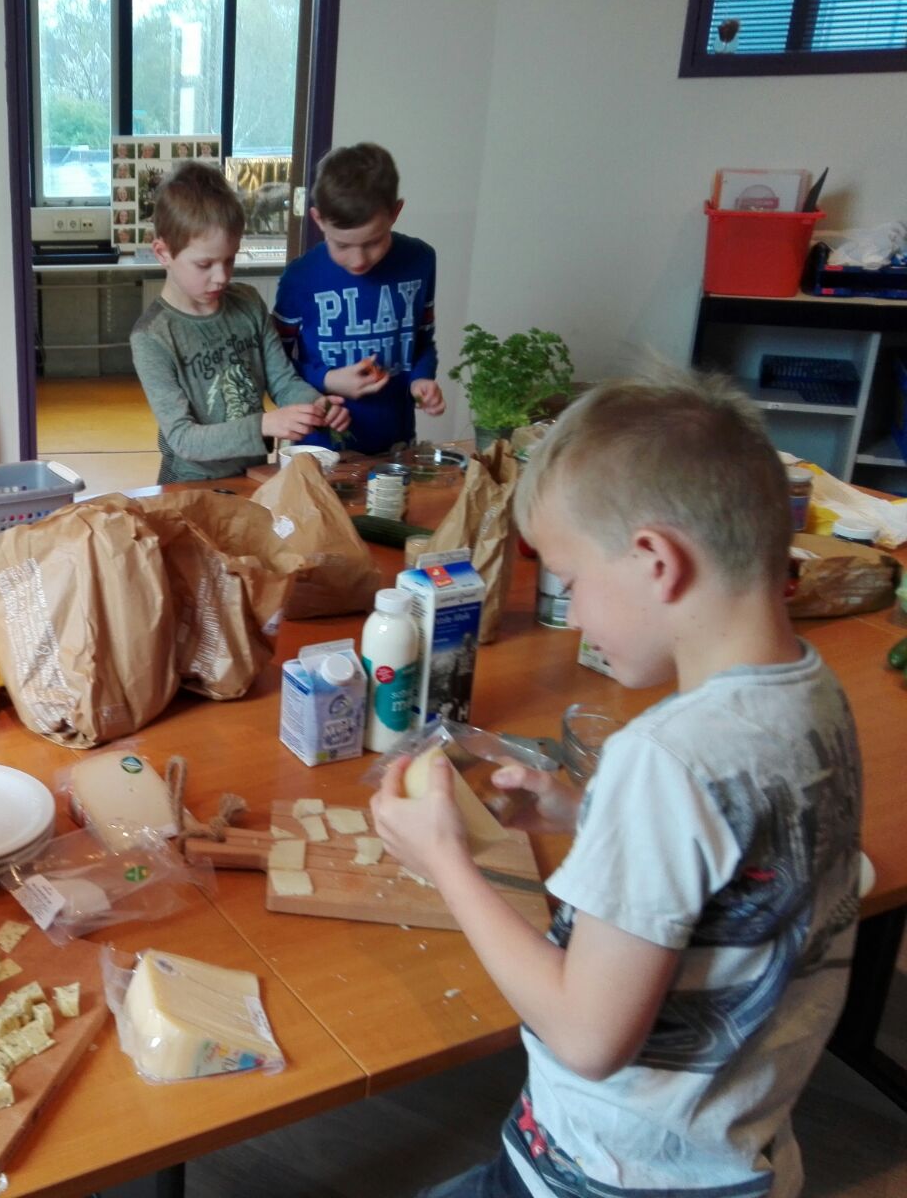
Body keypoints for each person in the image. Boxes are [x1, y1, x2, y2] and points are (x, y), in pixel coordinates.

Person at [372, 367, 861, 1198]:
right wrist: (588, 813)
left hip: (602, 1179)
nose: (576, 614)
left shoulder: (664, 759)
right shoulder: (814, 695)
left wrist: (447, 864)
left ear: (656, 561)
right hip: (732, 1162)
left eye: (571, 582)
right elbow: (742, 863)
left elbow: (587, 1036)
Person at [131, 162, 349, 483]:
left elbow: (283, 381)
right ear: (163, 253)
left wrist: (315, 405)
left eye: (230, 259)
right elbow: (183, 438)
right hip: (189, 483)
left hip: (254, 474)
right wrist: (264, 425)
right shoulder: (152, 336)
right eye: (204, 264)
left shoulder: (247, 302)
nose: (221, 276)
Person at [273, 142, 445, 456]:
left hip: (395, 443)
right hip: (320, 448)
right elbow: (275, 366)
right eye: (342, 245)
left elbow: (422, 341)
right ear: (318, 219)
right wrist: (327, 379)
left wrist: (421, 380)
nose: (358, 260)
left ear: (395, 213)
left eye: (373, 242)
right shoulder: (299, 278)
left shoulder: (420, 261)